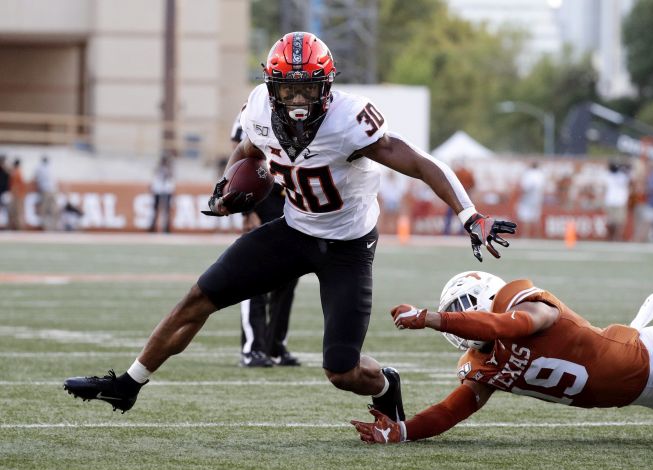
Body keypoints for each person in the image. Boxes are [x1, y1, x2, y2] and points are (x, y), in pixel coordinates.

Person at [63, 32, 516, 421]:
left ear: (327, 86)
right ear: (271, 86)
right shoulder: (259, 108)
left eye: (308, 89)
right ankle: (128, 384)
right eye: (288, 89)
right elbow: (246, 152)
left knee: (341, 371)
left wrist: (469, 215)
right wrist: (224, 187)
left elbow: (418, 162)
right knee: (197, 298)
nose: (297, 100)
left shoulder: (349, 120)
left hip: (349, 245)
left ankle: (385, 386)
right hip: (294, 230)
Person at [352, 271, 653, 444]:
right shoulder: (482, 366)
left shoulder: (527, 305)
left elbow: (513, 326)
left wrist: (434, 318)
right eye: (456, 314)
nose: (460, 324)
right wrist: (402, 431)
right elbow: (452, 410)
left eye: (463, 309)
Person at [229, 116, 300, 368]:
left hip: (293, 211)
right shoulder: (253, 110)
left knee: (287, 284)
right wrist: (247, 210)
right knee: (254, 282)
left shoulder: (303, 110)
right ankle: (253, 348)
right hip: (263, 207)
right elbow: (240, 158)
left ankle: (275, 346)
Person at [515, 162, 545, 238]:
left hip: (528, 198)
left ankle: (526, 235)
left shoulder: (528, 174)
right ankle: (537, 235)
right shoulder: (541, 174)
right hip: (537, 198)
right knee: (536, 218)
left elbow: (526, 187)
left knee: (526, 217)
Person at [603, 161, 629, 241]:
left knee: (612, 221)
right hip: (619, 201)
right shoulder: (623, 176)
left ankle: (612, 237)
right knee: (617, 222)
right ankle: (616, 237)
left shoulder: (608, 176)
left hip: (611, 201)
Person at [148, 155, 175, 233]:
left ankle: (166, 228)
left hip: (166, 191)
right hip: (158, 190)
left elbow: (170, 177)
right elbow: (155, 177)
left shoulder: (169, 169)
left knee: (166, 211)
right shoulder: (158, 169)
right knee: (155, 210)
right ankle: (153, 227)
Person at [34, 156, 59, 231]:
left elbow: (36, 178)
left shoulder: (39, 168)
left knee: (44, 209)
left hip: (45, 190)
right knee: (53, 209)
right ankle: (54, 226)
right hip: (53, 190)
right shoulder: (51, 167)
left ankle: (45, 226)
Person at [8, 158, 26, 230]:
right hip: (17, 194)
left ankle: (19, 227)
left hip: (17, 195)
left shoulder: (17, 172)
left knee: (17, 211)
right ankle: (16, 226)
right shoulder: (17, 172)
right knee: (16, 211)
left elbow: (18, 185)